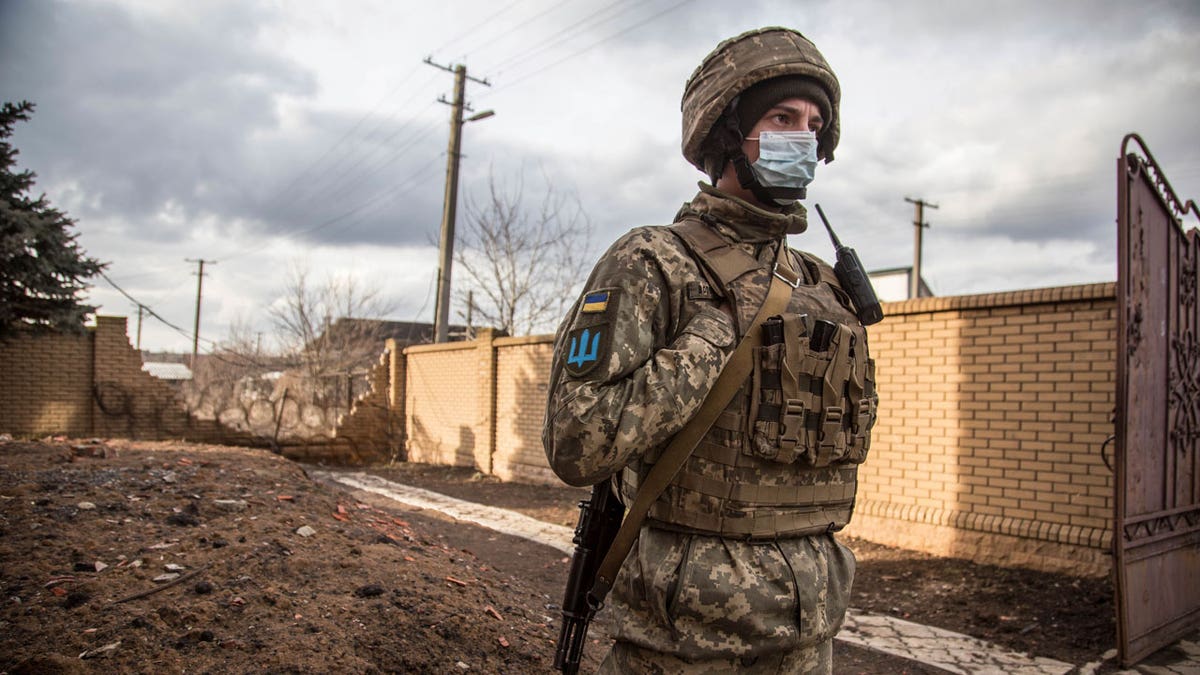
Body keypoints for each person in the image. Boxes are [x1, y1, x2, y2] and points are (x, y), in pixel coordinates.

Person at [543, 26, 878, 674]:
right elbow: (575, 442)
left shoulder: (821, 283)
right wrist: (710, 336)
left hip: (807, 631)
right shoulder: (655, 261)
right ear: (727, 132)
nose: (802, 138)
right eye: (782, 118)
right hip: (683, 640)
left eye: (814, 124)